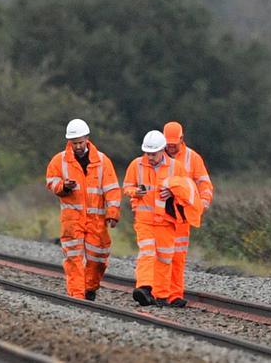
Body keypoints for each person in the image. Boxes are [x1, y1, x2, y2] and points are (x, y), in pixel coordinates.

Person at [44, 118, 121, 300]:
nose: (77, 146)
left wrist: (112, 213)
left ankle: (89, 288)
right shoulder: (59, 160)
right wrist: (63, 186)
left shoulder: (102, 161)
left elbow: (112, 189)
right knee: (74, 259)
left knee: (99, 259)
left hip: (97, 221)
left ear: (87, 138)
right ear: (69, 142)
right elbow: (51, 181)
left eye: (80, 142)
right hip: (72, 219)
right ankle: (77, 297)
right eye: (74, 143)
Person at [122, 130, 187, 306]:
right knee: (147, 253)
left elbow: (186, 192)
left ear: (163, 150)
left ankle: (161, 296)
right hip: (144, 220)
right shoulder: (136, 165)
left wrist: (173, 192)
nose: (150, 157)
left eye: (153, 153)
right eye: (147, 153)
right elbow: (127, 186)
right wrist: (135, 192)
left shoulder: (176, 167)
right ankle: (143, 288)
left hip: (166, 222)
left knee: (165, 258)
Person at [161, 121, 213, 307]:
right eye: (168, 142)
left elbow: (204, 184)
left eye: (174, 143)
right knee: (159, 256)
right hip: (160, 216)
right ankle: (157, 292)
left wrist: (202, 205)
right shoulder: (155, 154)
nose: (170, 146)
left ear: (182, 139)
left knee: (178, 256)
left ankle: (174, 295)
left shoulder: (193, 158)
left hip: (182, 216)